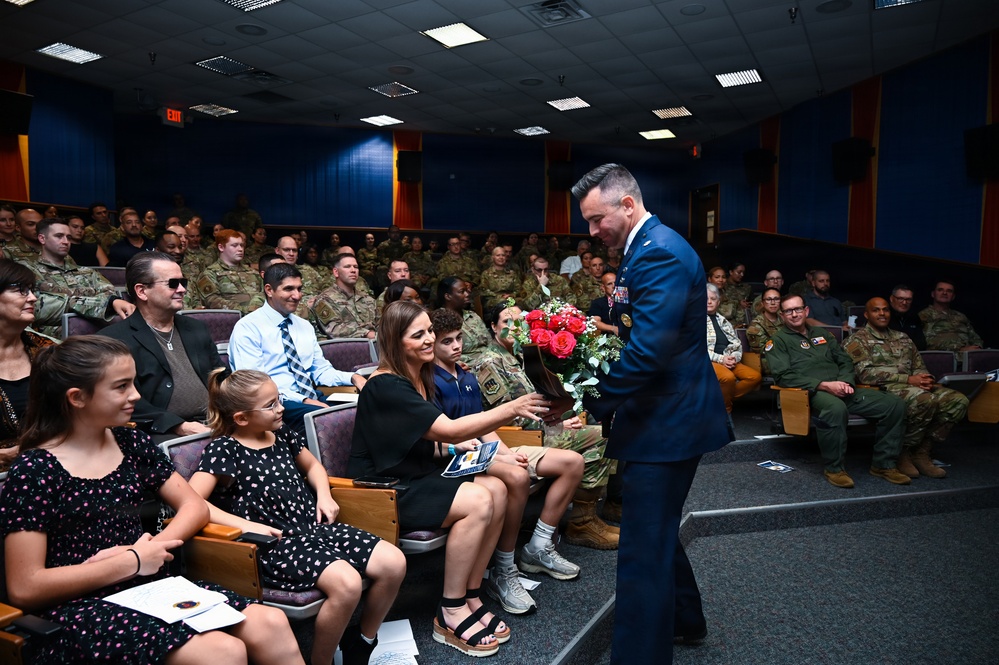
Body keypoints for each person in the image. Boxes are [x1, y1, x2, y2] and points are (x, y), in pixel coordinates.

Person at [0, 336, 304, 664]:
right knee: (223, 652)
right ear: (77, 398)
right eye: (121, 387)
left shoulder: (132, 442)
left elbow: (194, 506)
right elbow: (25, 587)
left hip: (148, 584)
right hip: (79, 605)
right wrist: (131, 561)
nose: (136, 396)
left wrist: (154, 548)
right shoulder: (35, 470)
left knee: (271, 623)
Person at [571, 163, 730, 664]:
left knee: (641, 545)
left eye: (597, 220)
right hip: (665, 413)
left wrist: (589, 399)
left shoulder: (657, 253)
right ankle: (686, 620)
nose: (593, 233)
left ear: (627, 204)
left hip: (668, 420)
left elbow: (646, 355)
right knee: (655, 528)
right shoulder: (647, 246)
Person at [348, 301, 551, 657]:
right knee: (479, 500)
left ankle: (471, 594)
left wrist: (462, 450)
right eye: (419, 335)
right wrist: (510, 407)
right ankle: (450, 609)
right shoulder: (386, 385)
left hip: (415, 475)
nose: (429, 340)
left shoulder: (417, 376)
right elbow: (450, 429)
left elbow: (425, 442)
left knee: (497, 488)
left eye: (430, 331)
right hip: (384, 491)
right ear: (395, 341)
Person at [190, 369, 406, 665]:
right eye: (270, 405)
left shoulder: (281, 434)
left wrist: (324, 495)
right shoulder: (224, 449)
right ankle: (323, 660)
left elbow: (314, 467)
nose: (281, 408)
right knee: (347, 583)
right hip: (276, 544)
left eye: (278, 399)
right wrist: (247, 526)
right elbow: (192, 503)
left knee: (394, 563)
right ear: (241, 418)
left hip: (313, 527)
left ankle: (362, 641)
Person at [430, 308, 584, 615]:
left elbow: (483, 426)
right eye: (446, 341)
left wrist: (505, 452)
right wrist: (505, 457)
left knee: (572, 462)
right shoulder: (430, 381)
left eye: (459, 338)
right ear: (431, 343)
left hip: (488, 448)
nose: (456, 346)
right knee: (516, 475)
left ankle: (538, 547)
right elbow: (446, 436)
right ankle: (504, 567)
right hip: (455, 457)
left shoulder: (467, 375)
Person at [472, 303, 619, 550]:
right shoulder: (491, 360)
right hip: (517, 437)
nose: (514, 327)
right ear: (493, 327)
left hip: (540, 428)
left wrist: (562, 416)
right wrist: (555, 423)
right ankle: (580, 523)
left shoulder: (522, 355)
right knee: (599, 439)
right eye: (507, 322)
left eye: (519, 322)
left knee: (605, 434)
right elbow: (506, 415)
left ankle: (584, 519)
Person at [765, 294, 910, 488]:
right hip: (811, 392)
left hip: (842, 387)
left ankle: (884, 465)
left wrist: (844, 382)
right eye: (789, 311)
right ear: (782, 315)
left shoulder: (822, 334)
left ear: (806, 311)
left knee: (895, 405)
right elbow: (783, 376)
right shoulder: (777, 341)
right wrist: (824, 385)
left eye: (798, 309)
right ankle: (834, 469)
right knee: (835, 409)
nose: (794, 314)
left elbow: (845, 360)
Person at [99, 252, 224, 440]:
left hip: (215, 422)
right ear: (142, 291)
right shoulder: (113, 341)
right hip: (159, 432)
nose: (182, 289)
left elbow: (221, 377)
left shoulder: (196, 328)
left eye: (184, 283)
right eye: (172, 283)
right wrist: (179, 426)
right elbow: (125, 401)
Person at [229, 262, 364, 433]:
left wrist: (353, 377)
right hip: (275, 404)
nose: (297, 295)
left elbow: (321, 371)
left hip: (312, 396)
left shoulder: (304, 326)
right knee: (327, 420)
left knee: (368, 406)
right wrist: (304, 400)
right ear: (269, 290)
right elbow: (255, 387)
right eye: (289, 289)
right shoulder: (248, 328)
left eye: (299, 289)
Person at [844, 297, 969, 479]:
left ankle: (921, 451)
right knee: (924, 399)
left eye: (885, 310)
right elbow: (865, 375)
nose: (882, 314)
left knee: (958, 400)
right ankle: (902, 451)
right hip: (880, 390)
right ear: (866, 314)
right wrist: (909, 379)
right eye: (876, 310)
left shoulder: (902, 337)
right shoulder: (856, 340)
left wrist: (925, 379)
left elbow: (919, 366)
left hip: (912, 385)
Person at [28, 218, 135, 338]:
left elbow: (109, 293)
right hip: (55, 340)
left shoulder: (86, 272)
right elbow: (39, 307)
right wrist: (103, 303)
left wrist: (109, 302)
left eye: (68, 237)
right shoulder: (29, 272)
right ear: (42, 238)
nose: (65, 241)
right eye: (59, 236)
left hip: (98, 333)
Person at [0, 259, 55, 469]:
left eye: (31, 290)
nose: (32, 298)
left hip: (47, 466)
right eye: (20, 290)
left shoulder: (45, 350)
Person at [706, 283, 761, 415]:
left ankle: (718, 400)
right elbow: (696, 348)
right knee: (728, 378)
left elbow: (737, 343)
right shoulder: (695, 321)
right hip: (709, 360)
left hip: (728, 359)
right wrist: (721, 359)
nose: (709, 302)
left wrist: (733, 357)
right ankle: (726, 411)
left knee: (754, 377)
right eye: (705, 299)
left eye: (713, 299)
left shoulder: (723, 320)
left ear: (718, 302)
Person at [192, 229, 261, 314]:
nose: (240, 249)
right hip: (231, 319)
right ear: (221, 247)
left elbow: (267, 293)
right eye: (234, 245)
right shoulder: (210, 273)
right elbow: (213, 301)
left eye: (242, 245)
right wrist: (246, 310)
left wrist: (259, 308)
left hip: (259, 317)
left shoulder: (253, 272)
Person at [311, 252, 378, 339]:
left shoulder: (368, 299)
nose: (353, 270)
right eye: (347, 267)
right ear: (336, 272)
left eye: (356, 267)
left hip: (375, 346)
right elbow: (335, 329)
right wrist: (367, 334)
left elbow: (381, 324)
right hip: (345, 349)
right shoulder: (325, 300)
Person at [919, 280, 984, 353]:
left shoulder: (961, 316)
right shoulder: (923, 316)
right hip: (942, 359)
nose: (944, 293)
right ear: (933, 294)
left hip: (968, 358)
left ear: (953, 296)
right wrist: (959, 349)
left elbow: (975, 338)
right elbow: (925, 342)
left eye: (949, 291)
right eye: (940, 290)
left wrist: (977, 348)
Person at [437, 276, 490, 362]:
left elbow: (489, 342)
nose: (467, 294)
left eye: (467, 291)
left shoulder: (472, 315)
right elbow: (443, 354)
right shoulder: (440, 320)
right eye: (462, 292)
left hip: (490, 361)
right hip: (466, 367)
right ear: (448, 296)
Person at [745, 287, 783, 374]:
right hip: (768, 361)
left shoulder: (785, 319)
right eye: (769, 299)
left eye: (776, 299)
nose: (773, 303)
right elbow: (764, 350)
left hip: (787, 356)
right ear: (762, 303)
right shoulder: (755, 326)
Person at [478, 246, 520, 310]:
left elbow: (518, 289)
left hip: (510, 298)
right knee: (503, 302)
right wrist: (500, 296)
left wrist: (512, 295)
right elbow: (484, 291)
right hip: (493, 301)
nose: (501, 257)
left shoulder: (512, 273)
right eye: (498, 255)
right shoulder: (486, 274)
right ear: (493, 257)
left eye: (503, 255)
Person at [888, 284, 927, 350]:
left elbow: (921, 344)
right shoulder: (883, 315)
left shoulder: (914, 317)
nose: (904, 302)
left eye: (908, 299)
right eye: (900, 298)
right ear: (891, 298)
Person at [588, 270, 621, 336]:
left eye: (615, 283)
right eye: (609, 284)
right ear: (603, 288)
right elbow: (594, 322)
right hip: (607, 338)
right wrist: (613, 328)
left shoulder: (626, 302)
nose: (613, 286)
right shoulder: (597, 303)